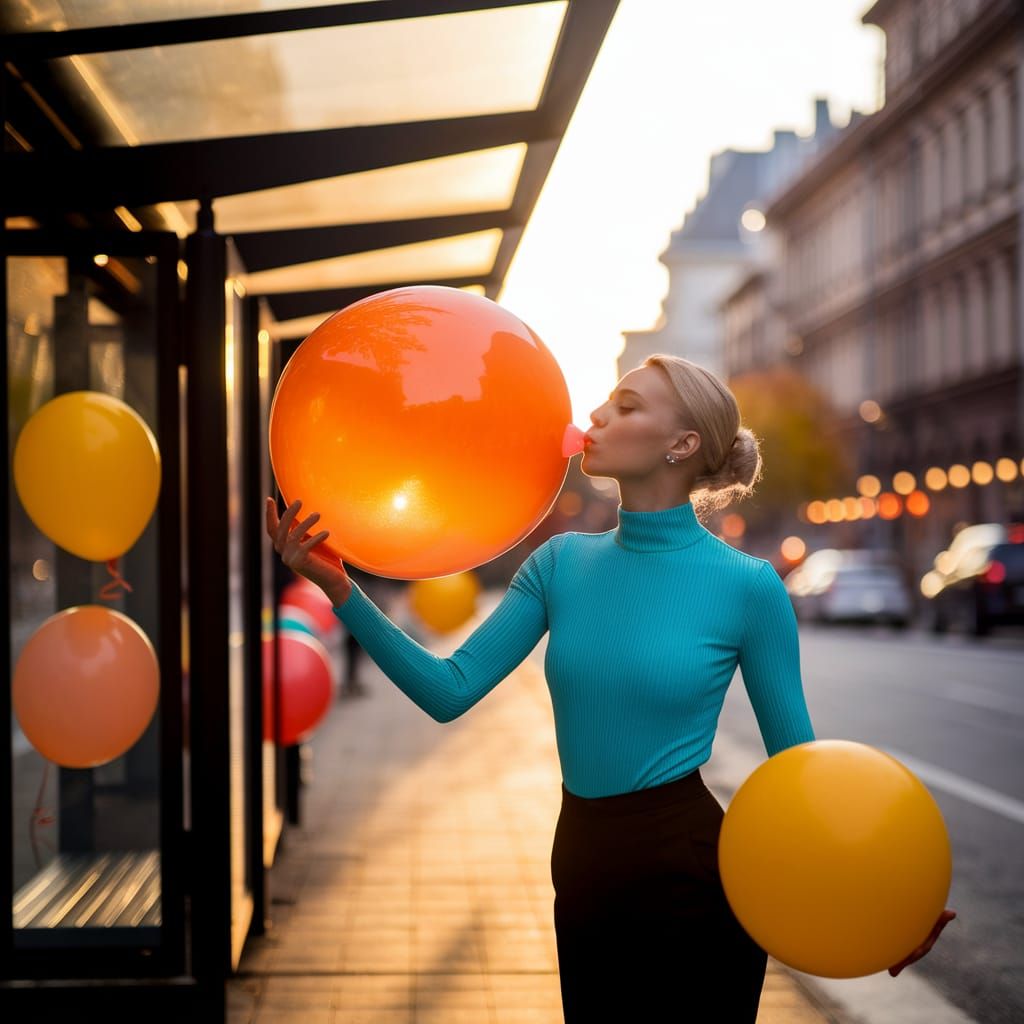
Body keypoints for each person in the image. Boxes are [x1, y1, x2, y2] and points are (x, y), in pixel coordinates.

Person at [266, 353, 954, 1021]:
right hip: (585, 866)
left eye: (626, 406)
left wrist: (879, 909)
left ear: (682, 444)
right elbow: (449, 690)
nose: (595, 414)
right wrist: (343, 592)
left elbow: (800, 778)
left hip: (697, 878)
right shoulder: (560, 563)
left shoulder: (748, 586)